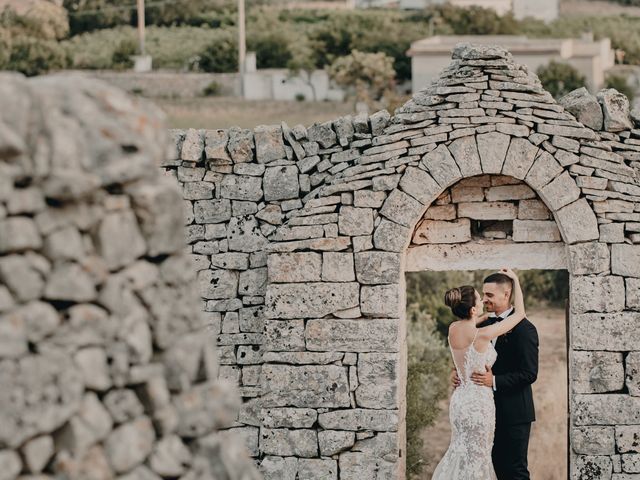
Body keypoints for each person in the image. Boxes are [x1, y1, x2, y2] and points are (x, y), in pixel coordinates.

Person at [431, 268, 528, 480]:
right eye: (479, 299)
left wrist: (485, 315)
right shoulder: (482, 336)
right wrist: (516, 281)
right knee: (478, 458)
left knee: (460, 451)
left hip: (459, 400)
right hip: (478, 404)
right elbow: (520, 314)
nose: (483, 301)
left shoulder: (453, 329)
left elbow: (474, 324)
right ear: (473, 309)